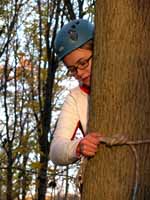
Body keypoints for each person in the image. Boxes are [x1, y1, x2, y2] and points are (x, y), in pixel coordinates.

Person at [50, 19, 101, 165]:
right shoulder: (76, 97)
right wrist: (78, 146)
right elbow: (55, 151)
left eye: (83, 63)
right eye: (72, 69)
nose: (79, 73)